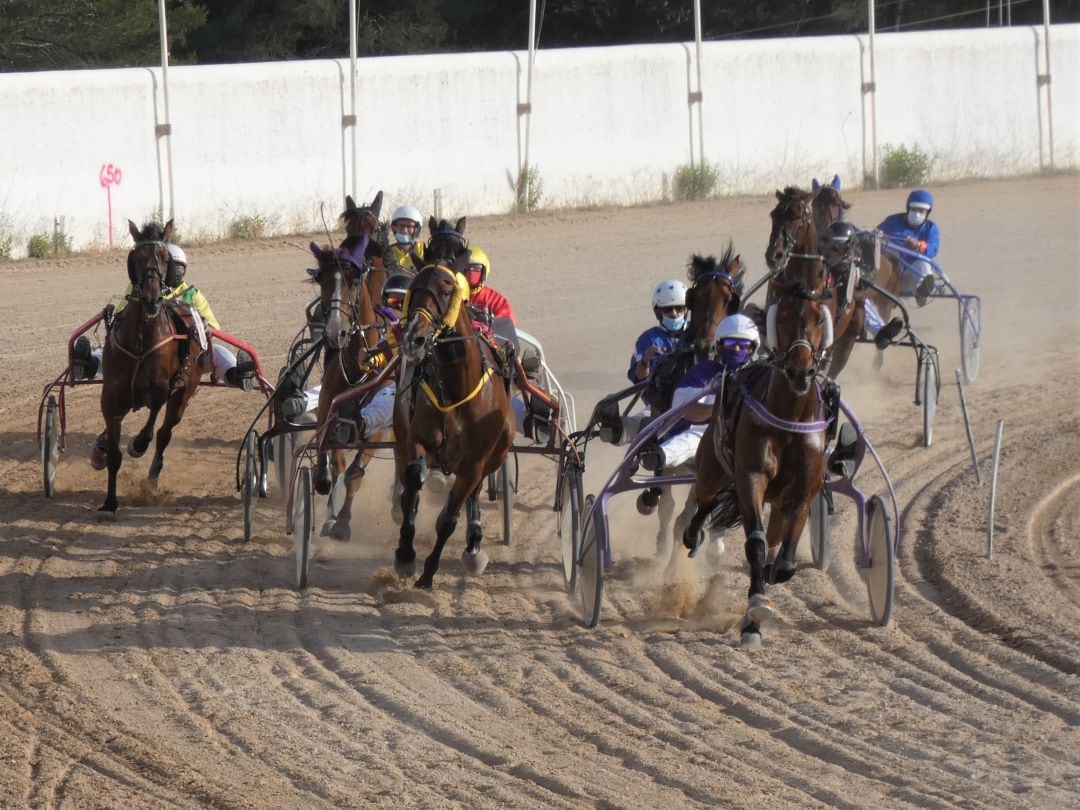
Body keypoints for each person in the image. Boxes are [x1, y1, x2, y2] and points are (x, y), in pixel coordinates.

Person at [72, 243, 255, 390]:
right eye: (174, 268)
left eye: (181, 269)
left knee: (220, 353)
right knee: (109, 352)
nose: (177, 273)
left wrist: (204, 326)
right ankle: (87, 365)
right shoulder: (140, 289)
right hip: (140, 354)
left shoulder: (192, 293)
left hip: (185, 357)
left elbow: (213, 327)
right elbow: (122, 315)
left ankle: (237, 375)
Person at [638, 313, 760, 474]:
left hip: (749, 438)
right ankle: (656, 456)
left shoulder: (761, 375)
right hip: (706, 432)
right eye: (730, 343)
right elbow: (687, 410)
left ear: (752, 348)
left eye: (743, 344)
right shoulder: (706, 371)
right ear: (719, 345)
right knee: (692, 439)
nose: (736, 349)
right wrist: (718, 408)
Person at [461, 246, 550, 443]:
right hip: (460, 364)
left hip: (493, 365)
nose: (468, 276)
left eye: (473, 271)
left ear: (483, 272)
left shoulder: (495, 299)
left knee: (503, 397)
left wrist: (483, 332)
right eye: (464, 271)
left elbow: (506, 327)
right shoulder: (453, 297)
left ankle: (538, 423)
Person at [596, 279, 688, 446]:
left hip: (694, 400)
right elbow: (640, 378)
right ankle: (616, 428)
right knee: (647, 420)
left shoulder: (699, 335)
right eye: (668, 309)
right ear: (658, 312)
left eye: (679, 308)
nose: (674, 313)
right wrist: (645, 360)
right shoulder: (649, 339)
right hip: (661, 403)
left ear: (686, 310)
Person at [877, 189, 941, 307]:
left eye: (921, 211)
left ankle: (923, 292)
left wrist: (918, 245)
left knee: (924, 263)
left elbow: (933, 249)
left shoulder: (931, 229)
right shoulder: (892, 222)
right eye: (914, 209)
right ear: (908, 208)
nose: (917, 214)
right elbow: (876, 234)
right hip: (888, 275)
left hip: (909, 276)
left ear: (927, 212)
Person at [386, 204, 425, 274]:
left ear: (416, 230)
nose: (405, 230)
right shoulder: (388, 253)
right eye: (401, 226)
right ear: (394, 228)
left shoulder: (423, 250)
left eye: (409, 226)